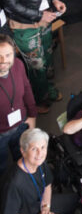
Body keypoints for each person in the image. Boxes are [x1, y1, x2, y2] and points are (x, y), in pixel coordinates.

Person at [1, 0, 65, 110]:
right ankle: (39, 99)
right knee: (35, 64)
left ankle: (46, 88)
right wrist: (39, 15)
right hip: (24, 25)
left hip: (44, 18)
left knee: (46, 54)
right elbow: (10, 5)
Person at [0, 129, 76, 214]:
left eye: (43, 147)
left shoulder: (40, 162)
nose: (40, 153)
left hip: (38, 206)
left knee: (74, 199)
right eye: (34, 149)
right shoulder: (14, 182)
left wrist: (45, 209)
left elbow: (47, 185)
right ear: (23, 151)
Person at [0, 35, 36, 177]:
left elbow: (27, 89)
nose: (3, 61)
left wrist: (32, 115)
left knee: (22, 157)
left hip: (21, 123)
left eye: (8, 55)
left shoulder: (18, 65)